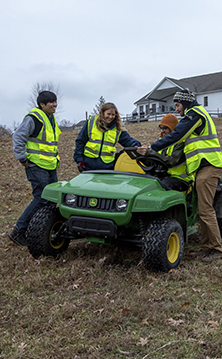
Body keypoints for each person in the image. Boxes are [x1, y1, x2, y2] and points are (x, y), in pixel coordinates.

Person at [148, 89, 222, 261]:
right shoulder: (196, 114)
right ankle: (207, 248)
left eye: (177, 105)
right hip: (205, 166)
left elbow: (176, 135)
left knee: (205, 210)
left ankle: (216, 250)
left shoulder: (194, 115)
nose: (176, 109)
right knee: (202, 210)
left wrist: (153, 148)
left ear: (185, 102)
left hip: (209, 166)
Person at [8, 91, 61, 247]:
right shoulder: (34, 118)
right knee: (42, 198)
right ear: (42, 105)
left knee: (52, 199)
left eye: (55, 101)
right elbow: (18, 137)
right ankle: (19, 231)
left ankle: (42, 230)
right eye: (50, 102)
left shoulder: (51, 119)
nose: (54, 104)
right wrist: (22, 158)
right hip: (36, 165)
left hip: (50, 165)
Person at [74, 102, 141, 172]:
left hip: (107, 166)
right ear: (102, 113)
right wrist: (79, 159)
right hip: (89, 165)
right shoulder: (91, 123)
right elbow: (80, 141)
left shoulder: (117, 128)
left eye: (113, 115)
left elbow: (128, 141)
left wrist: (135, 146)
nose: (110, 117)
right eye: (108, 114)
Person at [137, 113, 194, 191]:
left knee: (161, 186)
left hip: (180, 179)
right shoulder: (160, 142)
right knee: (143, 183)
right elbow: (154, 163)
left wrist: (150, 153)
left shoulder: (181, 143)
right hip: (163, 176)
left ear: (173, 128)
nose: (162, 131)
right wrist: (142, 157)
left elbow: (172, 161)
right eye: (160, 128)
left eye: (165, 128)